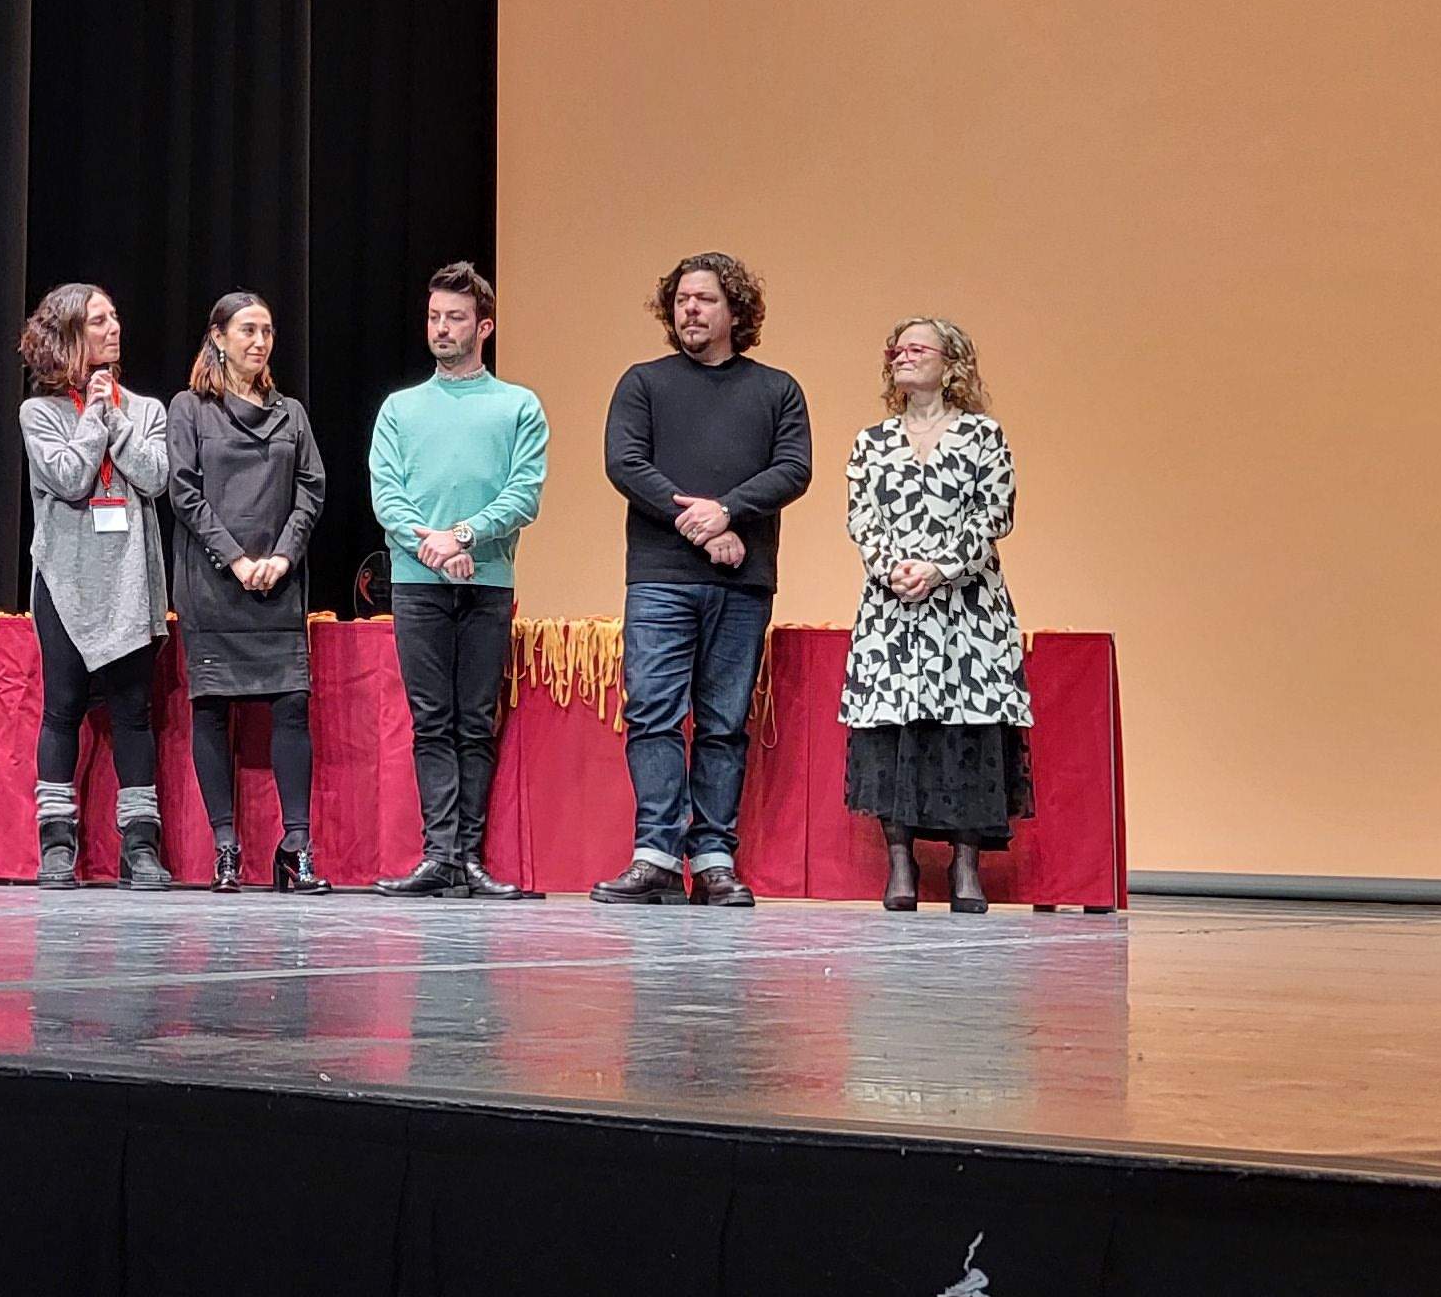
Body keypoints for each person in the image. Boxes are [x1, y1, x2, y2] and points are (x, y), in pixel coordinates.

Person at [590, 252, 813, 908]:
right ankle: (655, 855)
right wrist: (703, 525)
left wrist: (730, 512)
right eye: (682, 300)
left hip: (742, 585)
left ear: (735, 311)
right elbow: (625, 463)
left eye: (704, 300)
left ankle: (714, 858)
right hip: (660, 578)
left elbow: (794, 469)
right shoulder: (644, 382)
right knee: (655, 715)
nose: (689, 309)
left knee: (722, 723)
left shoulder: (777, 389)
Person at [365, 263, 549, 900]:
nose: (442, 329)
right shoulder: (400, 409)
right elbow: (388, 497)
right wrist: (436, 549)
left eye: (456, 318)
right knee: (430, 719)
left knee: (474, 720)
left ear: (485, 326)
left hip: (488, 582)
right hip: (418, 583)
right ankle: (438, 854)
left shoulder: (518, 405)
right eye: (435, 317)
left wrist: (464, 536)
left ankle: (468, 856)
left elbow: (523, 495)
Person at [842, 317, 1030, 914]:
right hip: (893, 609)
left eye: (919, 348)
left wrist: (940, 569)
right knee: (894, 733)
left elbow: (993, 515)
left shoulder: (982, 435)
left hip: (967, 611)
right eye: (898, 349)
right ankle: (901, 866)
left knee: (966, 733)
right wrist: (892, 567)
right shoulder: (871, 442)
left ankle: (965, 868)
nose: (904, 355)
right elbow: (861, 518)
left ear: (952, 365)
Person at [166, 292, 329, 894]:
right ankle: (227, 848)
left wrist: (283, 554)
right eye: (247, 331)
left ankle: (296, 847)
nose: (259, 342)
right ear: (219, 338)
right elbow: (183, 492)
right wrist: (234, 559)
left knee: (291, 705)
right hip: (213, 582)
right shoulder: (190, 409)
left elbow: (311, 489)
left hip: (278, 583)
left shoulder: (291, 413)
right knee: (211, 709)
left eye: (267, 331)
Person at [18, 285, 176, 890]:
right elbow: (72, 477)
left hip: (130, 583)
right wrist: (91, 416)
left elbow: (155, 477)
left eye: (116, 318)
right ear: (69, 336)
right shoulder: (40, 412)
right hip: (63, 582)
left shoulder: (147, 409)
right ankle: (56, 843)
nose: (114, 329)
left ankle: (141, 846)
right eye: (99, 321)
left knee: (133, 713)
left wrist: (114, 415)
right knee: (62, 709)